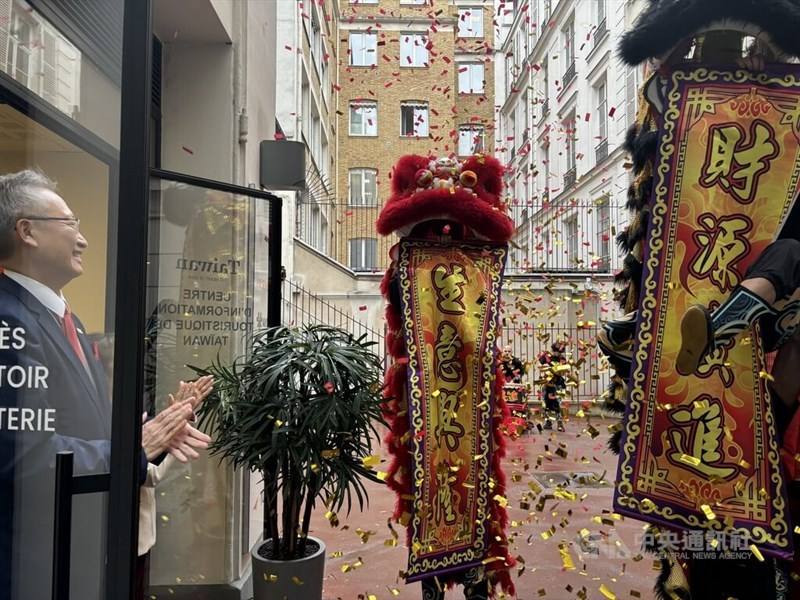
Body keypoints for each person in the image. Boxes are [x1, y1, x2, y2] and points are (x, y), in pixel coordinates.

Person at [0, 170, 210, 600]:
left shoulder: (64, 319)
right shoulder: (10, 320)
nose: (83, 239)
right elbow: (27, 458)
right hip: (44, 564)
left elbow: (84, 425)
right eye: (70, 224)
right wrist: (138, 446)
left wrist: (159, 433)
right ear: (27, 232)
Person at [676, 238, 800, 376]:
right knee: (789, 252)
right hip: (772, 330)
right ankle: (711, 334)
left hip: (769, 335)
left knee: (790, 250)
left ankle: (713, 331)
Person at [539, 341, 567, 432]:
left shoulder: (562, 359)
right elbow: (540, 364)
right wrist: (543, 357)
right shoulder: (548, 356)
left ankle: (559, 423)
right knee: (545, 403)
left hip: (558, 384)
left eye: (559, 351)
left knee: (557, 403)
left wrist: (550, 364)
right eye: (554, 350)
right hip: (547, 383)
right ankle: (548, 422)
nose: (556, 353)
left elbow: (560, 372)